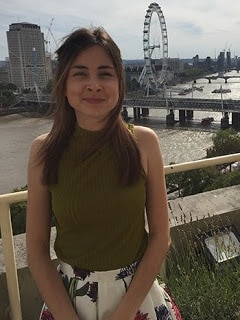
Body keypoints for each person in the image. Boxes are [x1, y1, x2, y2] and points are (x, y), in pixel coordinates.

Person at [26, 26, 182, 320]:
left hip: (137, 299)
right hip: (69, 303)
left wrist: (124, 313)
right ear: (63, 82)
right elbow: (35, 250)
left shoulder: (144, 144)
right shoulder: (43, 152)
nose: (94, 85)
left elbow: (161, 236)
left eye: (105, 74)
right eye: (80, 73)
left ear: (120, 83)